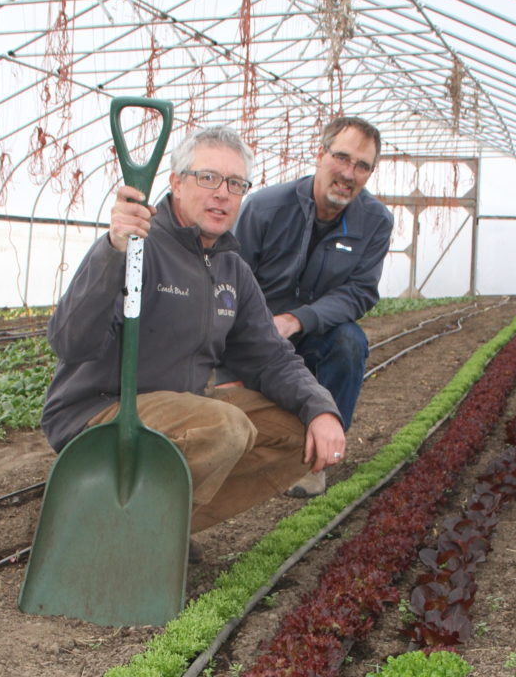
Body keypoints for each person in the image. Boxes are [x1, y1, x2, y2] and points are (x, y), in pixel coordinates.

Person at [40, 125, 346, 540]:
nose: (222, 193)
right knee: (226, 427)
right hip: (103, 410)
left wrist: (320, 408)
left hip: (185, 408)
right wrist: (112, 251)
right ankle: (114, 528)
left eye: (235, 183)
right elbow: (69, 340)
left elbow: (271, 356)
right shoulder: (136, 247)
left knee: (298, 433)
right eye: (208, 178)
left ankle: (159, 530)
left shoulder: (231, 269)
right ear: (176, 183)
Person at [224, 116, 393, 497]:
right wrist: (251, 330)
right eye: (342, 158)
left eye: (362, 166)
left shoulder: (375, 221)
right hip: (255, 333)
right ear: (320, 154)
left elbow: (361, 291)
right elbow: (229, 278)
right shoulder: (265, 208)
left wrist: (298, 319)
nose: (349, 173)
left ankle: (314, 459)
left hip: (315, 331)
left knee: (350, 343)